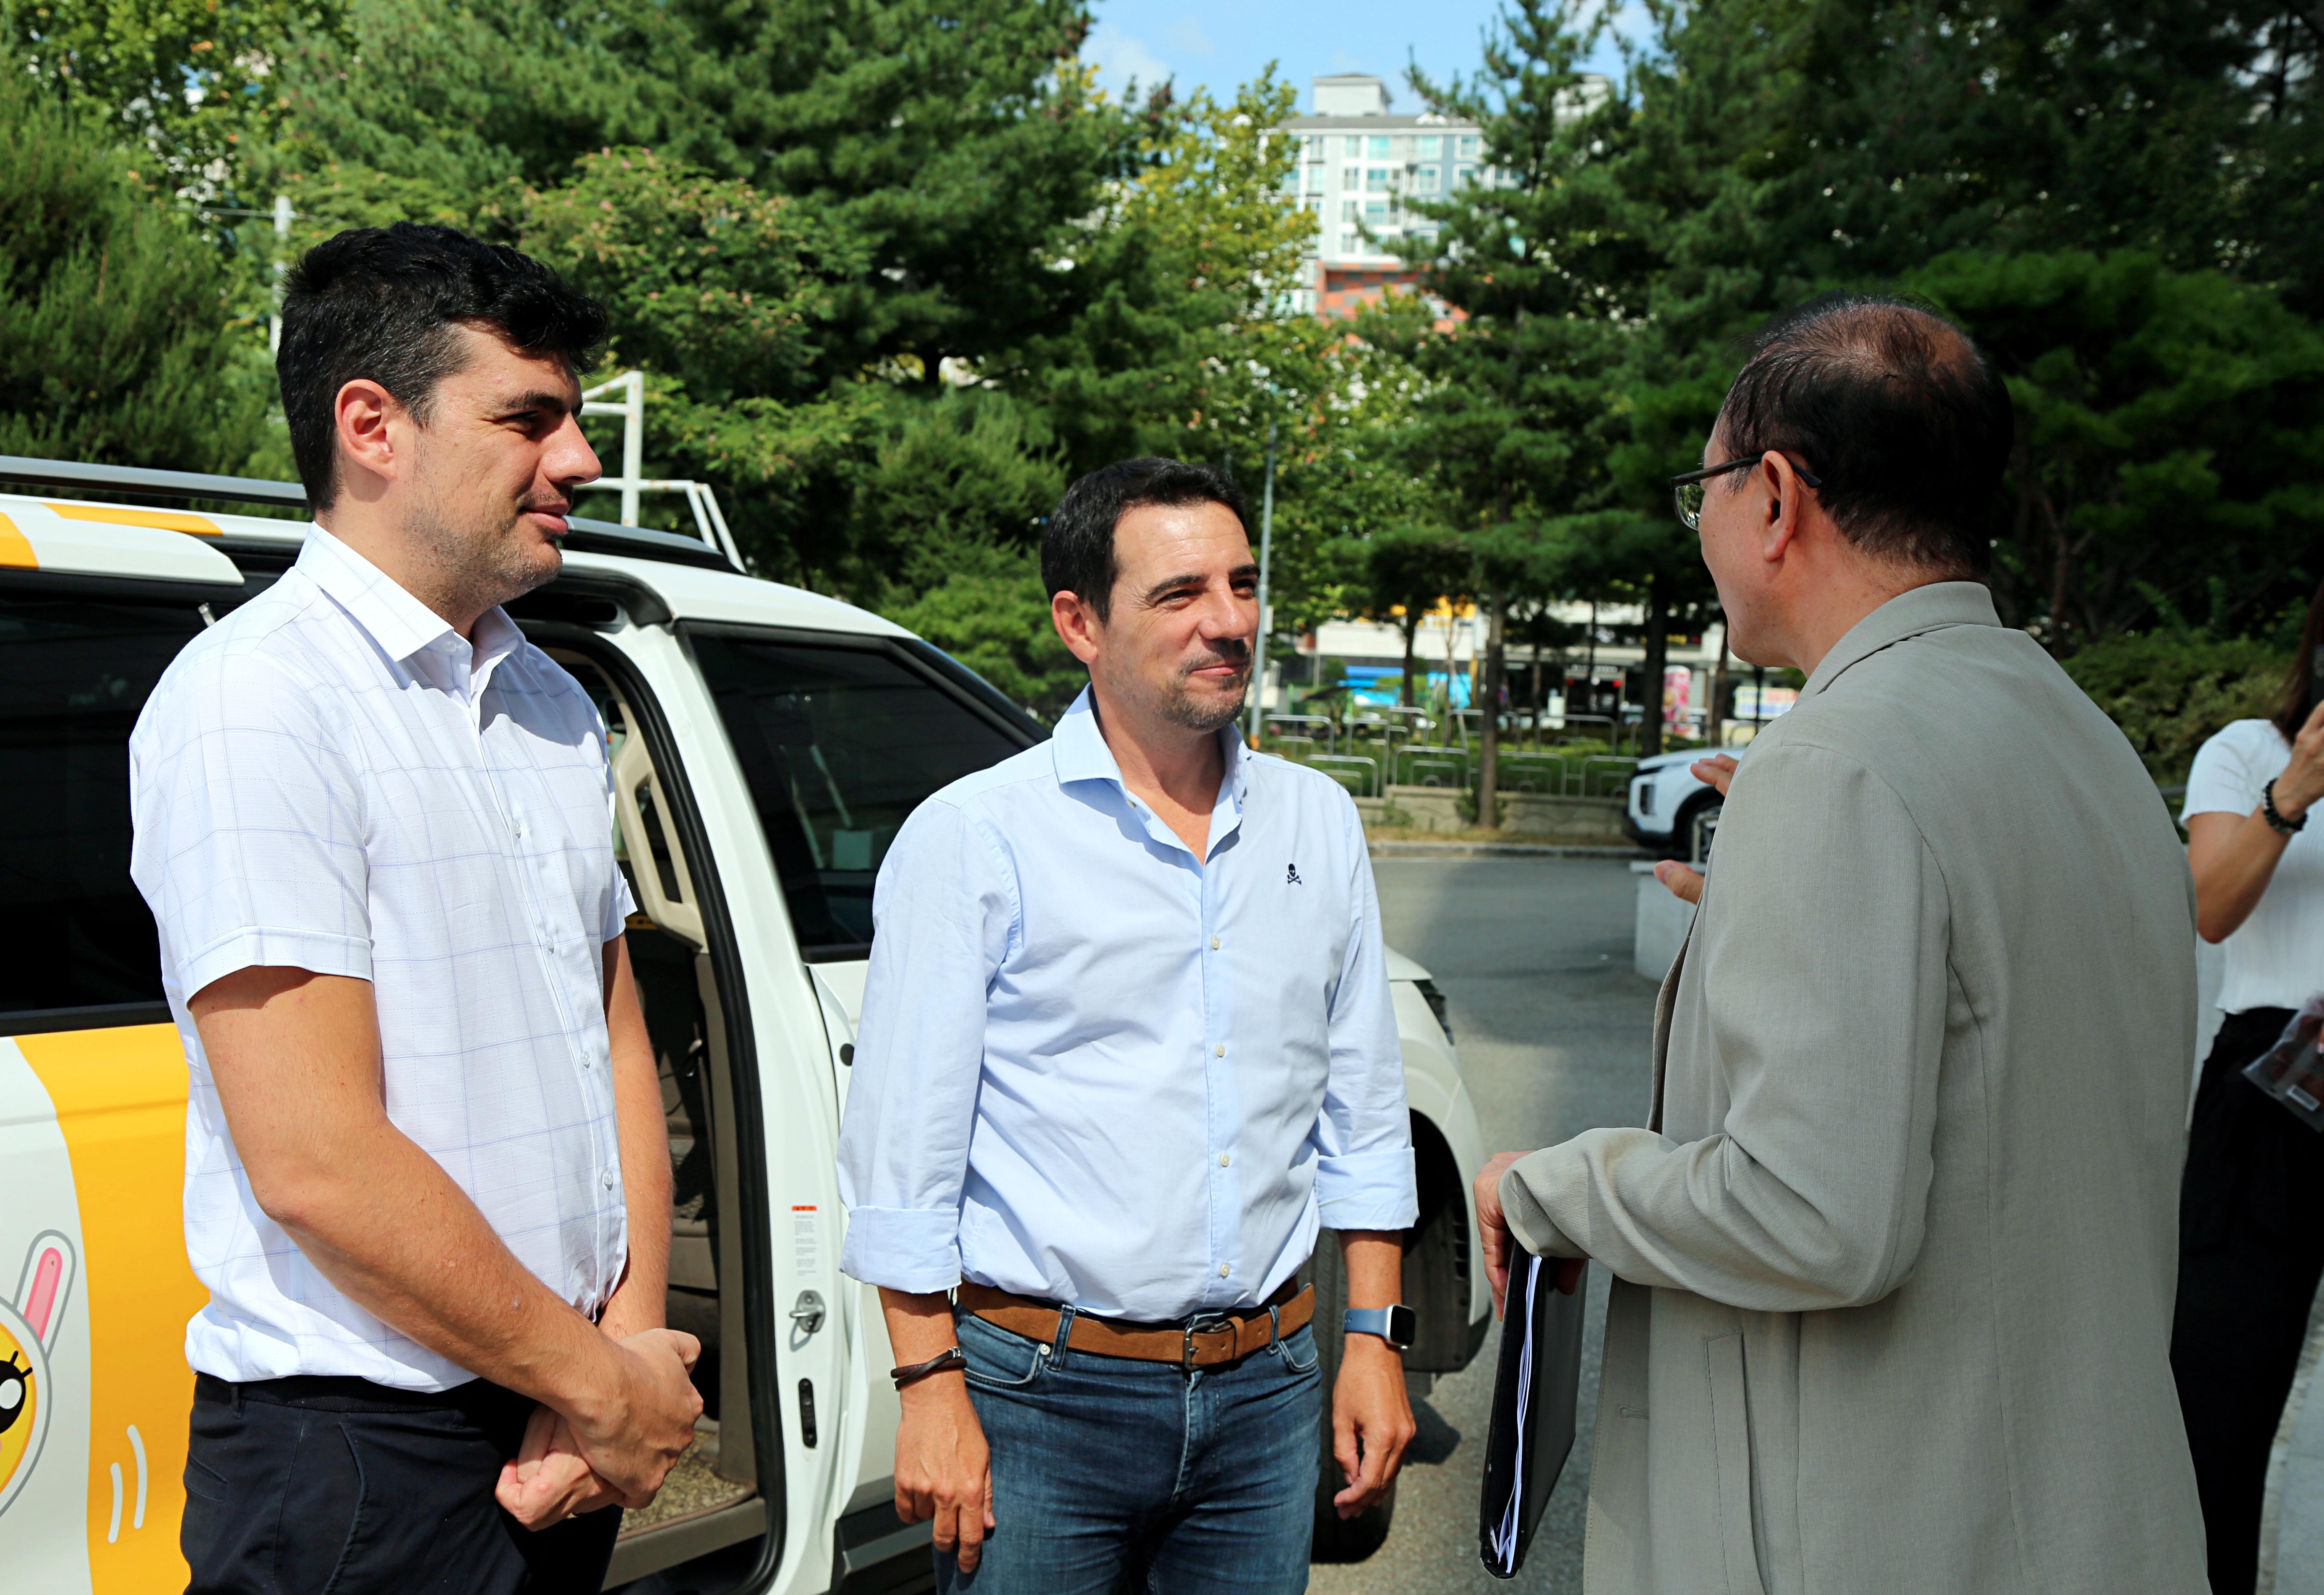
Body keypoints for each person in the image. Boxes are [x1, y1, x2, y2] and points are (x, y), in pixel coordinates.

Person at [1473, 297, 2209, 1592]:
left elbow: (1816, 1217)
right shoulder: (2079, 734)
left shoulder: (1835, 760)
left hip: (1889, 1533)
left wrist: (1557, 1186)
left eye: (1699, 485)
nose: (1697, 523)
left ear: (1774, 498)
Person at [128, 223, 702, 1595]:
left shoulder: (554, 704)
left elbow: (611, 1040)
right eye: (530, 418)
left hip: (553, 1421)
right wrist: (604, 1388)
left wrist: (619, 1358)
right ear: (373, 428)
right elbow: (318, 1159)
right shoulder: (257, 701)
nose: (579, 460)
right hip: (365, 1460)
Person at [835, 458, 1419, 1593]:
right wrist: (928, 1391)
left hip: (1270, 1391)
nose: (1229, 622)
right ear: (1080, 623)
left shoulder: (1318, 821)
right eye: (1180, 594)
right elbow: (904, 1156)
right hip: (1042, 1401)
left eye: (1243, 586)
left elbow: (1363, 1107)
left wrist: (1374, 1337)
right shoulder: (978, 837)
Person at [2171, 579, 2324, 1594]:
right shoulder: (2246, 753)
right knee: (2215, 1408)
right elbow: (2211, 909)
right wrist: (2295, 790)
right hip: (2275, 1082)